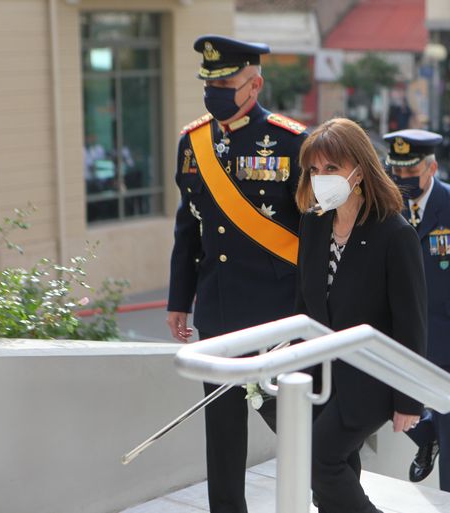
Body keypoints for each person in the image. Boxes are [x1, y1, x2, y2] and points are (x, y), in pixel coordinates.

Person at [166, 35, 307, 513]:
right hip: (218, 312)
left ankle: (337, 498)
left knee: (297, 426)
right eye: (209, 84)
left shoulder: (291, 141)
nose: (214, 93)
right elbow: (188, 229)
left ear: (255, 85)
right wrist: (179, 300)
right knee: (223, 434)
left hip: (277, 316)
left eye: (225, 84)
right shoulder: (192, 143)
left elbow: (312, 235)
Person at [294, 118, 427, 513]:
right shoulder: (313, 223)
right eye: (314, 169)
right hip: (322, 374)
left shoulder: (394, 234)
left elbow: (411, 323)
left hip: (372, 376)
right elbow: (304, 304)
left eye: (332, 168)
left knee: (318, 460)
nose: (321, 178)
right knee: (335, 475)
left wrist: (409, 399)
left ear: (360, 169)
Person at [383, 129, 450, 494]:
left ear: (431, 168)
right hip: (400, 328)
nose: (401, 179)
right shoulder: (389, 203)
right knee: (381, 394)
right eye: (396, 171)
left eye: (410, 172)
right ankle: (426, 434)